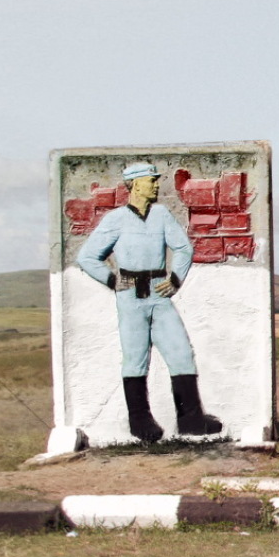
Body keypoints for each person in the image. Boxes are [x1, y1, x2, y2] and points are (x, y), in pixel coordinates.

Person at [76, 161, 221, 442]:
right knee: (135, 357)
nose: (157, 185)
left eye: (156, 180)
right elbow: (87, 257)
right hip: (130, 295)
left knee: (180, 352)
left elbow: (183, 248)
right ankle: (140, 421)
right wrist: (111, 280)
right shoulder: (115, 219)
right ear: (135, 184)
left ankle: (191, 419)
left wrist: (176, 279)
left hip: (159, 291)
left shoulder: (162, 215)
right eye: (151, 181)